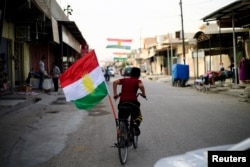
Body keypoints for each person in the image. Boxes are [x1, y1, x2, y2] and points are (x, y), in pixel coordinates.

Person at [113, 67, 146, 136]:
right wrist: (143, 94)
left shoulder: (124, 80)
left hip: (122, 103)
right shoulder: (137, 81)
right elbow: (141, 86)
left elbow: (115, 82)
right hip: (133, 103)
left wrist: (115, 94)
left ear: (131, 73)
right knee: (138, 116)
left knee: (122, 119)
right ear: (138, 74)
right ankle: (135, 124)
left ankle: (121, 135)